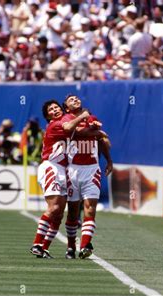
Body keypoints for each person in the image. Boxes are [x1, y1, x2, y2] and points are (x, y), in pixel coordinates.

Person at [30, 100, 99, 258]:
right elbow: (72, 129)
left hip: (64, 170)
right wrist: (84, 117)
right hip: (51, 167)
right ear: (48, 116)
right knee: (54, 208)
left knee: (59, 213)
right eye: (51, 110)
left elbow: (82, 132)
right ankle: (37, 243)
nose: (54, 110)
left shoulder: (67, 120)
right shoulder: (55, 124)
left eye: (56, 107)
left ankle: (44, 248)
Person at [61, 94, 113, 259]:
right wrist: (95, 132)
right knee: (73, 212)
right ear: (67, 108)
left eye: (77, 98)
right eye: (71, 100)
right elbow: (77, 132)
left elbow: (103, 139)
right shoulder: (66, 119)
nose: (75, 100)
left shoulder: (91, 117)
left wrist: (109, 160)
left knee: (90, 209)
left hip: (91, 170)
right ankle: (70, 247)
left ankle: (84, 246)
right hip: (72, 170)